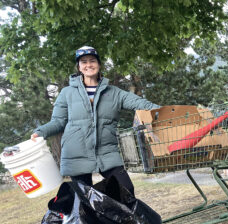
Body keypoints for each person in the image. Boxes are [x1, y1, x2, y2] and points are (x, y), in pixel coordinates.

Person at [31, 46, 159, 196]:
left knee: (126, 191)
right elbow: (58, 121)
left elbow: (143, 105)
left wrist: (166, 111)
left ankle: (123, 220)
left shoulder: (114, 93)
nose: (88, 65)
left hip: (107, 152)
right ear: (79, 67)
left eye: (92, 61)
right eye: (83, 62)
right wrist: (40, 132)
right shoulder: (67, 93)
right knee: (85, 201)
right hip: (75, 154)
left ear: (99, 64)